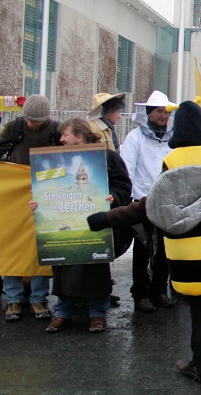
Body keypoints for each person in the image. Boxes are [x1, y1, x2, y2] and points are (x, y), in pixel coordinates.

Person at [87, 101, 201, 395]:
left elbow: (150, 205)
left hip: (196, 259)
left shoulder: (176, 161)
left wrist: (104, 219)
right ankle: (200, 363)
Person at [37, 118, 132, 333]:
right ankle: (63, 312)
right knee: (64, 265)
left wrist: (113, 197)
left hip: (96, 225)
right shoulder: (57, 160)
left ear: (79, 136)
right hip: (67, 224)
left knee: (96, 269)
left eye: (65, 135)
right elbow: (46, 190)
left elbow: (124, 186)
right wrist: (38, 203)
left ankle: (98, 314)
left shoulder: (107, 158)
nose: (60, 139)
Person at [0, 94, 61, 322]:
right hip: (13, 197)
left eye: (35, 121)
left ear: (46, 118)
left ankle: (38, 298)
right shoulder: (14, 127)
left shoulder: (56, 130)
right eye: (28, 119)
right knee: (11, 244)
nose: (30, 124)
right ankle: (14, 299)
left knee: (40, 247)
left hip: (45, 194)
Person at [120, 90, 176, 313]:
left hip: (167, 200)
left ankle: (159, 290)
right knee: (142, 249)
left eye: (166, 111)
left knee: (165, 249)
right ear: (149, 113)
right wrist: (130, 200)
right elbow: (127, 169)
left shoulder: (173, 138)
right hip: (142, 200)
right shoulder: (134, 137)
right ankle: (140, 294)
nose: (163, 116)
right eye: (159, 111)